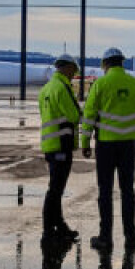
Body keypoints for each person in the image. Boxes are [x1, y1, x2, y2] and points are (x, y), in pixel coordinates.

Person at [80, 48, 135, 250]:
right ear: (122, 63)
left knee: (105, 192)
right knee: (128, 191)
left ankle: (105, 238)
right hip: (128, 145)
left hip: (105, 146)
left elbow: (89, 116)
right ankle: (131, 236)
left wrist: (85, 143)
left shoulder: (100, 84)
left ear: (105, 64)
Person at [38, 54, 82, 242]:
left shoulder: (46, 88)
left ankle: (59, 226)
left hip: (49, 144)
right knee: (55, 190)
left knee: (55, 188)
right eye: (73, 70)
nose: (74, 74)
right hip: (61, 144)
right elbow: (74, 115)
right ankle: (49, 230)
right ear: (67, 68)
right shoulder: (62, 88)